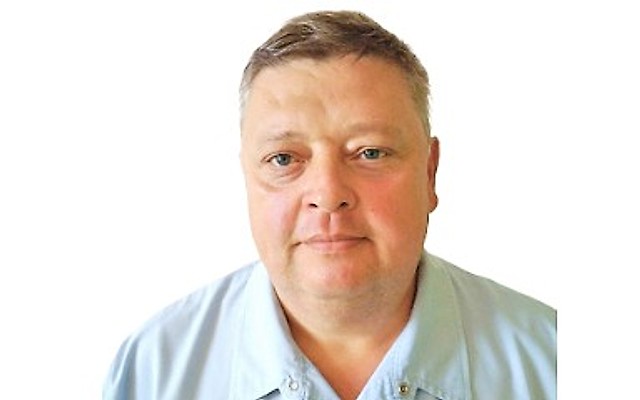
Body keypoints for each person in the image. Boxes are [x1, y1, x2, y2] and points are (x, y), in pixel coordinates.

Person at [103, 10, 556, 400]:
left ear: (429, 172)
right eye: (284, 159)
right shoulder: (153, 371)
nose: (327, 193)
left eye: (370, 152)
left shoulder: (554, 360)